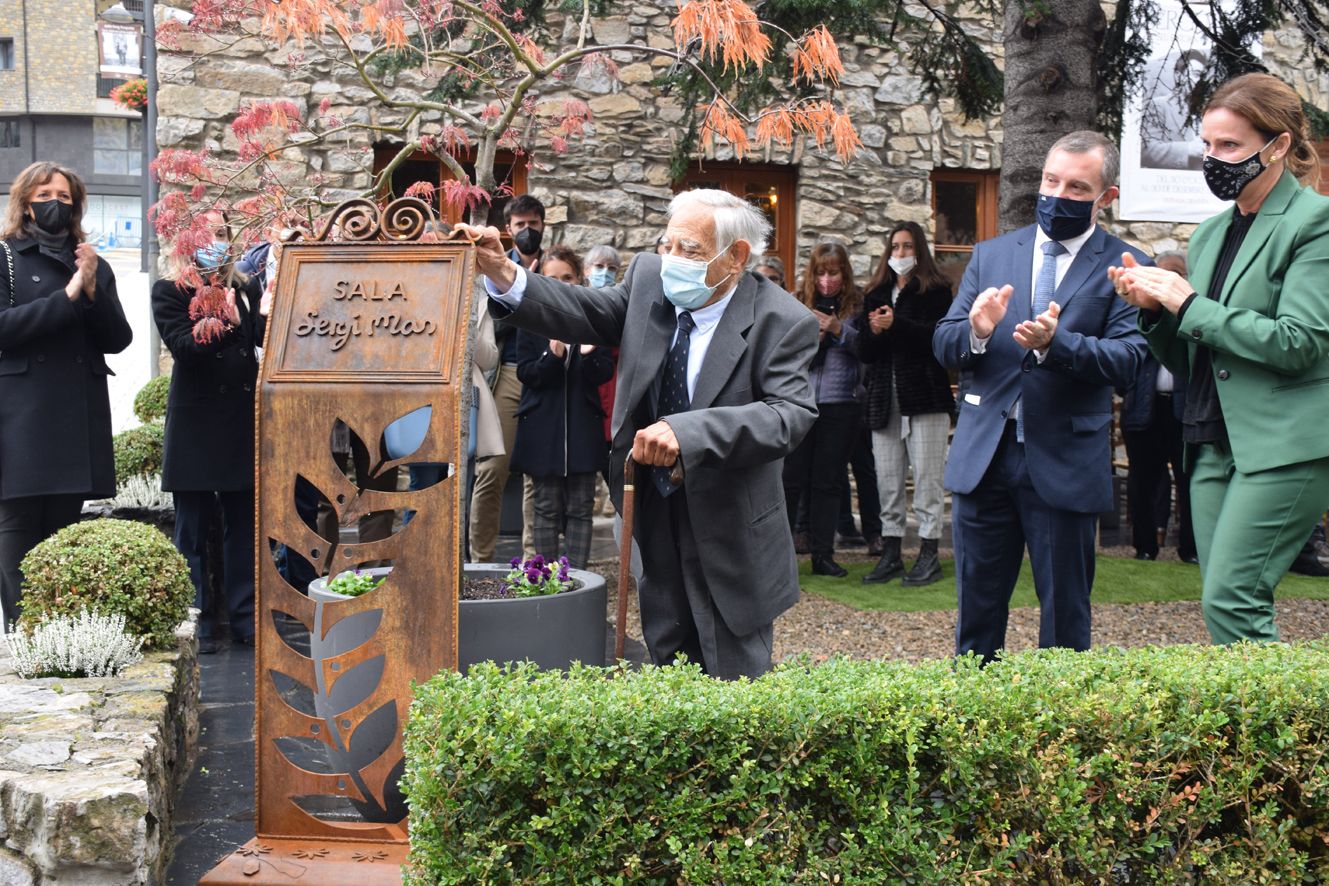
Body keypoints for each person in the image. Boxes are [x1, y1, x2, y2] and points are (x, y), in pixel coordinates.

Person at [457, 188, 818, 679]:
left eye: (689, 249)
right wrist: (504, 273)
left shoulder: (783, 320)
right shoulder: (651, 279)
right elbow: (585, 310)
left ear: (735, 257)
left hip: (730, 522)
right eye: (668, 244)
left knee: (733, 674)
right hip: (651, 504)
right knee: (667, 655)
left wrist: (688, 432)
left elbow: (788, 414)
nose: (672, 260)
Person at [1112, 73, 1329, 644]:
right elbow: (1195, 358)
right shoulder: (1208, 236)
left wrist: (1188, 303)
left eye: (1230, 145)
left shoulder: (1316, 223)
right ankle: (1263, 706)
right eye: (1207, 144)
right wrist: (1156, 312)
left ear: (1278, 145)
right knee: (1222, 606)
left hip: (1285, 442)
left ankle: (1289, 706)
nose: (1213, 159)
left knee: (1234, 599)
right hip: (1209, 438)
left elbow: (1300, 343)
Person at [934, 130, 1149, 662]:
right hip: (984, 457)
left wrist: (1058, 345)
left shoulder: (1126, 264)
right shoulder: (991, 254)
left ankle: (1059, 714)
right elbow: (944, 342)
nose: (1058, 195)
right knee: (976, 613)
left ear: (1107, 197)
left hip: (1063, 460)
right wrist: (977, 331)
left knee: (1065, 617)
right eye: (1051, 181)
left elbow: (1130, 359)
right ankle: (973, 708)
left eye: (1077, 188)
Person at [0, 162, 132, 631]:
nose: (55, 203)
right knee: (16, 532)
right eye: (44, 194)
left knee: (62, 534)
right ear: (24, 202)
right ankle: (24, 638)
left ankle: (61, 635)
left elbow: (118, 339)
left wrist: (92, 290)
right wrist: (68, 296)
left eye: (64, 195)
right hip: (20, 417)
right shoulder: (4, 256)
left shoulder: (91, 262)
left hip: (74, 415)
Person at [152, 212, 264, 653]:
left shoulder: (245, 287)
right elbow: (183, 347)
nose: (215, 241)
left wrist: (262, 315)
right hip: (196, 422)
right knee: (192, 531)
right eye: (206, 232)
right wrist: (226, 324)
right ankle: (197, 619)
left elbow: (260, 339)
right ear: (188, 239)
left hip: (240, 418)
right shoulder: (170, 290)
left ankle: (245, 618)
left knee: (244, 528)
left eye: (221, 233)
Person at [860, 221, 956, 587]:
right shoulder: (876, 292)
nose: (900, 253)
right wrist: (874, 331)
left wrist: (896, 325)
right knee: (888, 481)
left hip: (926, 398)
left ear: (919, 251)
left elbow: (937, 341)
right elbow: (865, 353)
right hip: (885, 401)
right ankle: (892, 552)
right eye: (895, 247)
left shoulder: (937, 291)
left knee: (928, 479)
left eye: (907, 246)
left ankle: (929, 552)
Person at [508, 247, 615, 568]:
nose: (560, 284)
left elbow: (603, 373)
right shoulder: (530, 321)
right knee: (545, 509)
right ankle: (547, 578)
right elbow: (527, 373)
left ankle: (579, 578)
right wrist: (551, 357)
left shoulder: (593, 319)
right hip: (542, 430)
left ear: (579, 279)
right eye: (552, 278)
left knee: (581, 508)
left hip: (583, 429)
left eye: (567, 277)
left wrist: (588, 354)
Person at [470, 194, 546, 562]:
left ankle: (534, 558)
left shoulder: (555, 266)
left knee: (538, 473)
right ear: (509, 229)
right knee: (492, 467)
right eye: (521, 225)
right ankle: (480, 557)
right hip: (509, 372)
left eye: (534, 223)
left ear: (543, 225)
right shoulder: (493, 267)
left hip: (548, 375)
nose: (528, 230)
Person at [782, 243, 862, 578]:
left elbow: (868, 350)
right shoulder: (796, 301)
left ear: (844, 273)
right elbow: (781, 351)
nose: (826, 280)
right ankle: (780, 556)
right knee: (790, 480)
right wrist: (808, 341)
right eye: (820, 273)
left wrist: (839, 330)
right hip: (800, 403)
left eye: (833, 272)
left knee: (828, 482)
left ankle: (823, 555)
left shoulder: (857, 304)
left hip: (840, 403)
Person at [1118, 250, 1196, 564]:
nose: (1170, 279)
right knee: (1142, 481)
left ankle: (1190, 548)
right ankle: (1145, 547)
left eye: (1177, 273)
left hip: (1184, 411)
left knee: (1189, 481)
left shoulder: (1194, 311)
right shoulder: (1137, 310)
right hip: (1144, 409)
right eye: (1164, 273)